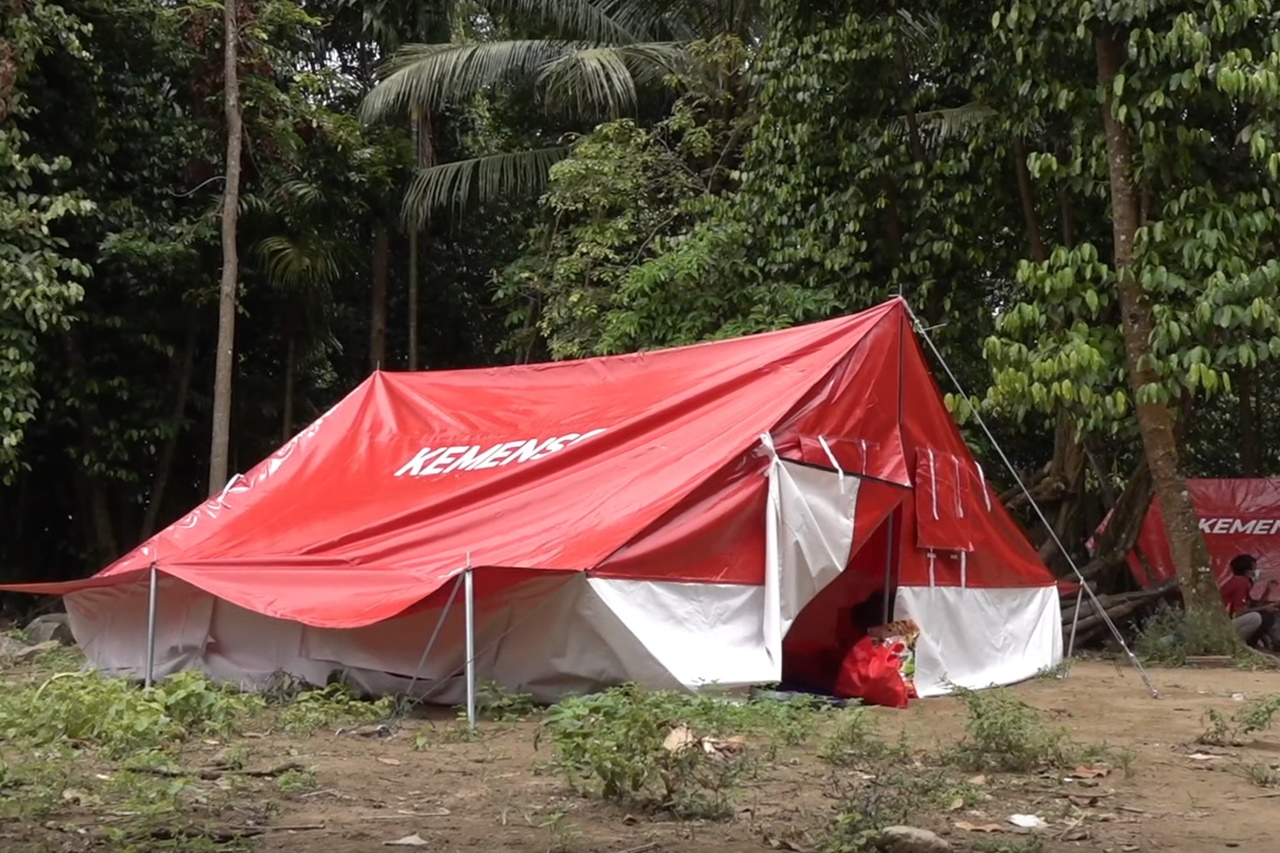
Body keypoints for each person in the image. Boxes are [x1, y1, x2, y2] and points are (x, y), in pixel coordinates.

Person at [1221, 554, 1280, 649]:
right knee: (1256, 617)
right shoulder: (1240, 583)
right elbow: (1238, 613)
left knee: (1267, 614)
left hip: (1231, 622)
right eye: (1254, 569)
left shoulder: (1242, 582)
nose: (1256, 572)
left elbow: (1253, 605)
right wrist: (1264, 608)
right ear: (1247, 572)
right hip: (1225, 625)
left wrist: (1268, 590)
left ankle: (1273, 642)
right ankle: (1242, 646)